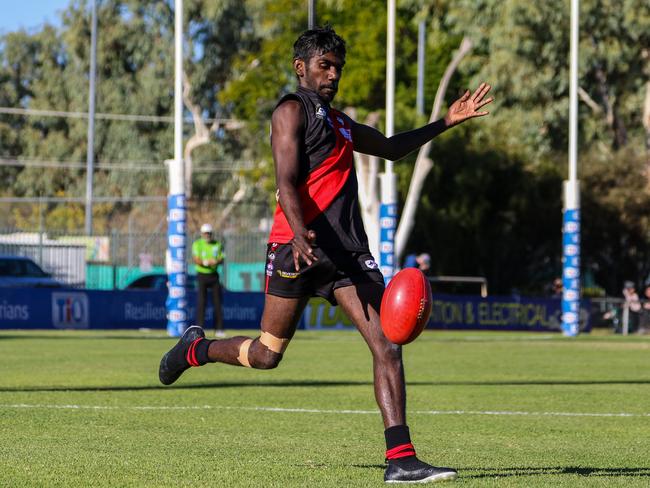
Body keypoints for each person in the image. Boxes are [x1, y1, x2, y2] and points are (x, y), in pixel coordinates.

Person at [160, 26, 492, 483]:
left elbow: (392, 150)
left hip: (349, 256)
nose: (333, 73)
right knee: (266, 354)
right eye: (325, 65)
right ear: (302, 68)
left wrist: (447, 122)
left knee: (387, 344)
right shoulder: (290, 111)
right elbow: (286, 180)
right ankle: (196, 349)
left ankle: (400, 460)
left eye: (338, 66)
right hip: (296, 250)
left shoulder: (339, 122)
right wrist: (299, 236)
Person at [192, 223, 225, 338]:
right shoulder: (197, 244)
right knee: (201, 302)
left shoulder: (217, 244)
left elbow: (221, 259)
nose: (207, 235)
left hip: (214, 275)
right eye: (205, 233)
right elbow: (196, 259)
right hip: (202, 275)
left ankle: (219, 329)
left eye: (209, 233)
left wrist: (216, 262)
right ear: (202, 234)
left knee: (217, 303)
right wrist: (206, 262)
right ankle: (199, 328)